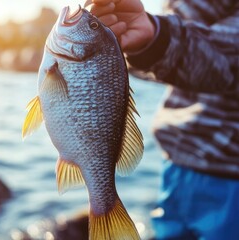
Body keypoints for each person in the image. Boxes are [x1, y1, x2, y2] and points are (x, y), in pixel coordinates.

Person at [86, 0, 239, 239]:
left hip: (231, 180)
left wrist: (155, 35)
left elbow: (228, 62)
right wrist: (146, 36)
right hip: (178, 163)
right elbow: (188, 34)